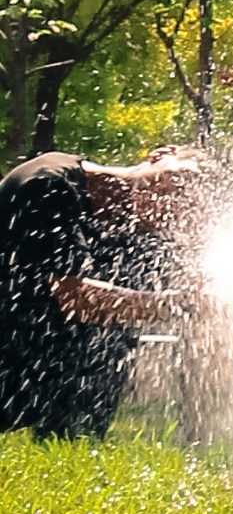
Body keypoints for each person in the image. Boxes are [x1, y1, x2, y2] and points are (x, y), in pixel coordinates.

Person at [0, 150, 212, 445]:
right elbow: (77, 299)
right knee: (110, 324)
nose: (177, 199)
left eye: (188, 203)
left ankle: (73, 448)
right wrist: (180, 304)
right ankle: (73, 443)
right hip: (11, 356)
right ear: (160, 155)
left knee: (117, 327)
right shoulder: (47, 185)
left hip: (26, 358)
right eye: (182, 179)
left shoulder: (121, 225)